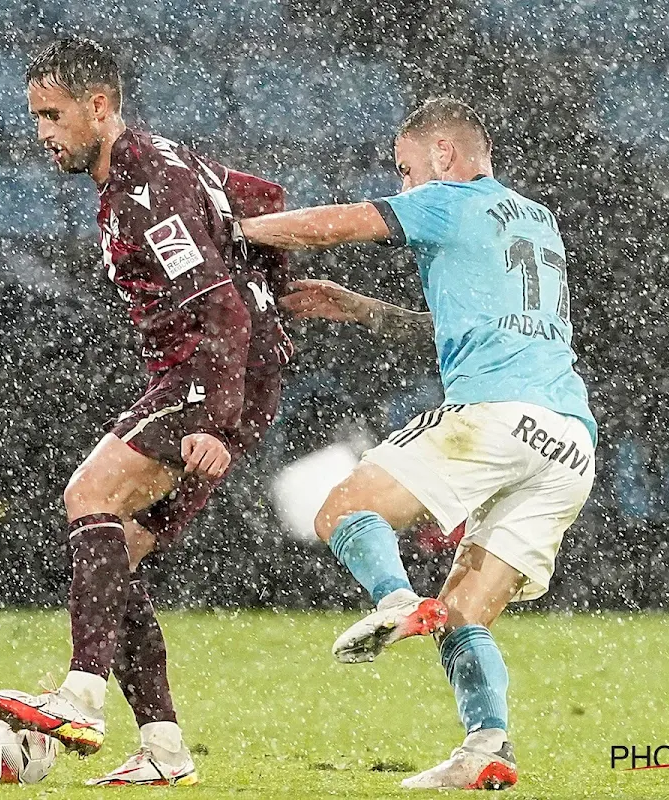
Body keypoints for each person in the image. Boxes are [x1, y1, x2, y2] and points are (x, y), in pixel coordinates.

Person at [238, 97, 596, 791]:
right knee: (464, 612)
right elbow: (475, 324)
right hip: (569, 440)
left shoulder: (451, 199)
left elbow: (338, 225)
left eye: (407, 169)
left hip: (494, 414)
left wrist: (237, 229)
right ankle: (486, 748)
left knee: (341, 509)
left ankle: (395, 598)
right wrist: (362, 308)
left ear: (444, 155)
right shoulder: (536, 219)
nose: (407, 186)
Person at [0, 38, 292, 787]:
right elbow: (265, 199)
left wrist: (214, 423)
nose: (42, 133)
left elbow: (216, 303)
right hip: (235, 373)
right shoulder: (171, 162)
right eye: (34, 119)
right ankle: (163, 751)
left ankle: (81, 696)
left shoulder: (143, 180)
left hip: (209, 372)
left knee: (87, 496)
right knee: (115, 553)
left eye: (52, 115)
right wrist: (269, 284)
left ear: (100, 106)